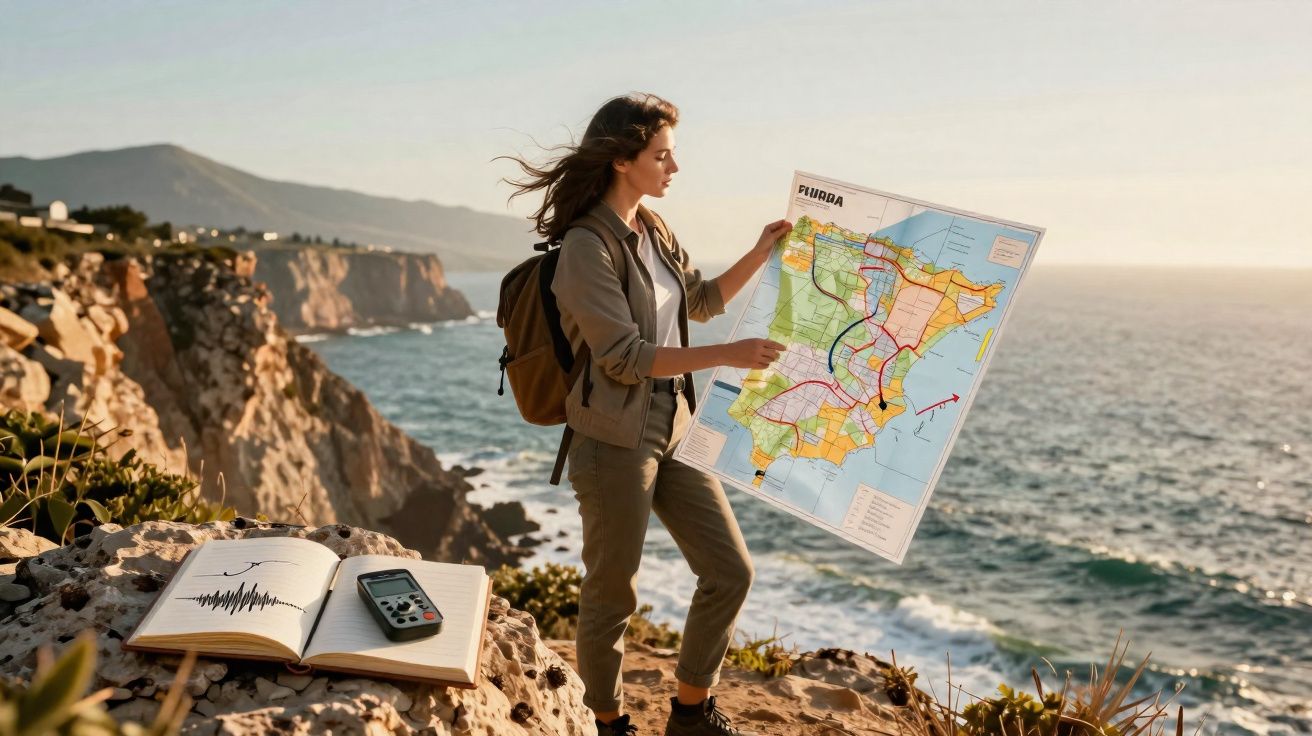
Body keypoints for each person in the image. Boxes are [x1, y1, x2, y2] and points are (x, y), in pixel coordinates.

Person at [503, 93, 790, 736]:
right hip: (612, 438)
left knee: (729, 571)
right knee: (613, 591)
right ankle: (608, 723)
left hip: (677, 421)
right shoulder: (585, 247)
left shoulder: (654, 231)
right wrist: (732, 356)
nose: (674, 168)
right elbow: (624, 358)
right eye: (662, 155)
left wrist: (761, 250)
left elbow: (703, 298)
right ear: (622, 160)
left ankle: (689, 713)